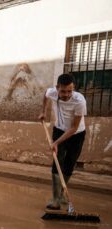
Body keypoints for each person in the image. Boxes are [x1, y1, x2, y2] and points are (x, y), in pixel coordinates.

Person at [38, 73, 86, 210]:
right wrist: (43, 112)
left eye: (70, 91)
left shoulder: (80, 101)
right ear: (57, 88)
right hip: (59, 129)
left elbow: (74, 127)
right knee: (57, 160)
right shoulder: (52, 92)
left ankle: (61, 194)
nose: (66, 94)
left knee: (70, 163)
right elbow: (45, 95)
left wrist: (56, 143)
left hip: (76, 134)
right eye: (63, 91)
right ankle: (56, 199)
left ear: (74, 88)